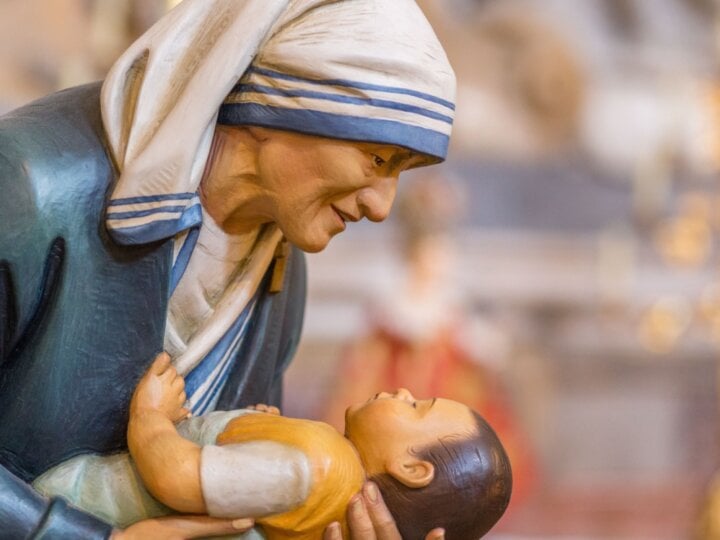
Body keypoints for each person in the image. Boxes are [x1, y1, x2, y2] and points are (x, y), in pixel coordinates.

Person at [0, 0, 455, 538]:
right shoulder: (33, 186)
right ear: (283, 102)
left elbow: (236, 503)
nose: (382, 207)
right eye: (379, 159)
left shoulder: (280, 265)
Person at [33, 353, 512, 540]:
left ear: (412, 468)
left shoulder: (318, 466)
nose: (403, 391)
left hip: (80, 502)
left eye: (417, 407)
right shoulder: (321, 472)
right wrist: (257, 434)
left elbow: (176, 477)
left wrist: (150, 417)